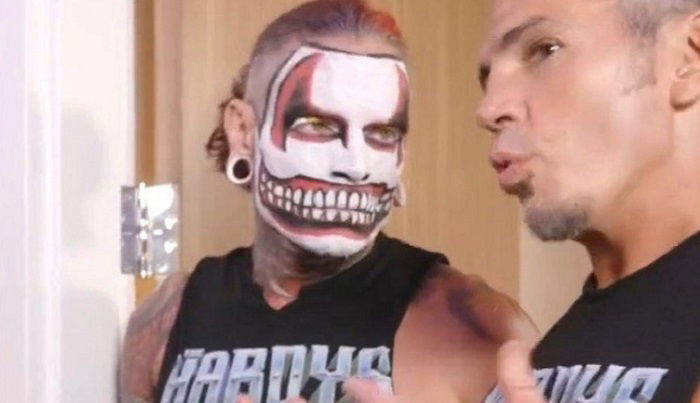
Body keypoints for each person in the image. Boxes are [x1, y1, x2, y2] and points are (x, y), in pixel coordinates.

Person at [120, 1, 537, 403]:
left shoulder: (473, 326)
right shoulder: (168, 317)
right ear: (243, 131)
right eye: (317, 125)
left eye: (382, 134)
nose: (355, 166)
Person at [475, 0, 700, 401]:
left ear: (688, 57)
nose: (488, 109)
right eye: (487, 77)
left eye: (544, 50)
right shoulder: (552, 354)